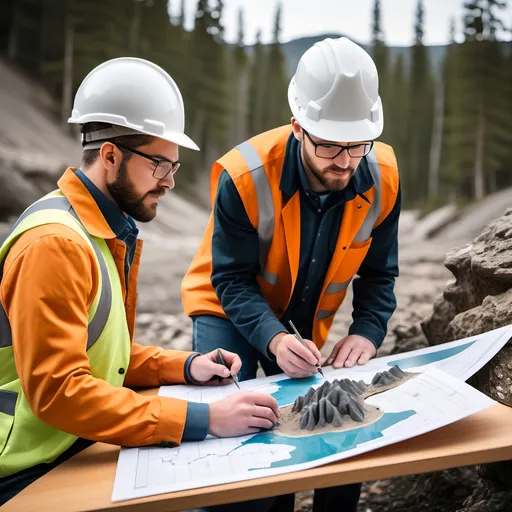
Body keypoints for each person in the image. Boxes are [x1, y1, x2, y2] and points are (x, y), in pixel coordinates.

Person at [0, 57, 278, 506]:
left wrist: (186, 366)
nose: (169, 182)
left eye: (174, 167)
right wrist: (203, 419)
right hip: (25, 466)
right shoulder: (57, 244)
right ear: (110, 155)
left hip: (67, 443)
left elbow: (103, 355)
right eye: (159, 166)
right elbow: (60, 391)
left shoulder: (99, 231)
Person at [182, 37, 400, 512]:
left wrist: (366, 331)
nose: (343, 161)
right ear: (298, 127)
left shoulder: (382, 176)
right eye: (328, 146)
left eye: (355, 146)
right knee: (238, 431)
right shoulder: (244, 176)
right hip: (227, 304)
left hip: (302, 313)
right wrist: (275, 341)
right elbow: (233, 279)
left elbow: (380, 276)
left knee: (325, 421)